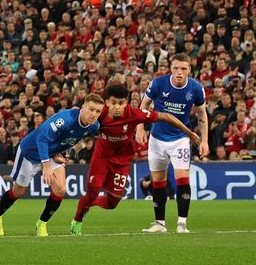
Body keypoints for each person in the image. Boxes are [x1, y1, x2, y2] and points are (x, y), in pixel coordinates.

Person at [70, 83, 200, 235]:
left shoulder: (134, 114)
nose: (117, 107)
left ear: (126, 102)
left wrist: (189, 133)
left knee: (112, 204)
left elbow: (165, 116)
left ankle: (88, 205)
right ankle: (77, 220)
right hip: (102, 159)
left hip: (122, 162)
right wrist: (70, 149)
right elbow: (78, 128)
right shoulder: (100, 114)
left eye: (121, 103)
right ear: (107, 102)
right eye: (113, 103)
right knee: (92, 193)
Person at [0, 94, 104, 237]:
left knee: (60, 190)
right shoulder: (65, 119)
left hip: (52, 154)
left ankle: (42, 224)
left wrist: (59, 154)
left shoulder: (94, 126)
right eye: (91, 109)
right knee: (19, 191)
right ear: (83, 108)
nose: (94, 114)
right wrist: (47, 165)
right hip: (30, 153)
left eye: (98, 111)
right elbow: (42, 138)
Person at [135, 53, 209, 233]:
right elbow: (143, 106)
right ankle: (159, 223)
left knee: (182, 178)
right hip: (157, 138)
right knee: (158, 181)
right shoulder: (158, 83)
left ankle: (182, 223)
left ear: (189, 70)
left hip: (180, 139)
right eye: (176, 68)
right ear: (171, 68)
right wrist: (139, 128)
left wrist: (204, 141)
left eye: (183, 68)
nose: (179, 72)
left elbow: (202, 115)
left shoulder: (196, 89)